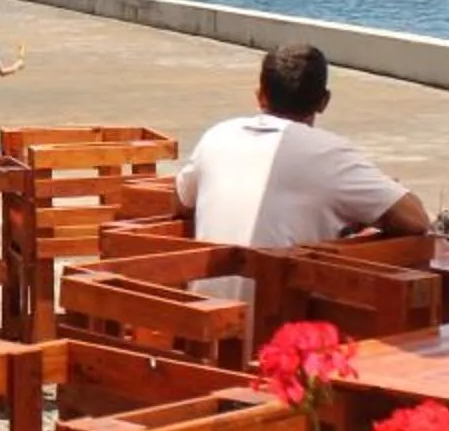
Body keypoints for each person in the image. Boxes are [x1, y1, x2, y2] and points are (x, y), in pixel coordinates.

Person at [168, 46, 429, 295]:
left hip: (207, 320)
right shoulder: (329, 153)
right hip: (284, 329)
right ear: (324, 102)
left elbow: (181, 202)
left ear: (260, 96)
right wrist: (360, 216)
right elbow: (416, 219)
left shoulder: (218, 135)